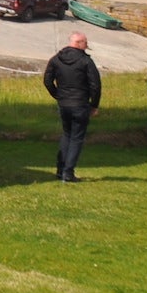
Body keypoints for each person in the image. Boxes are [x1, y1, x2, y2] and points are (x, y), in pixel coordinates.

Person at [43, 31, 102, 183]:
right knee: (76, 138)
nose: (87, 45)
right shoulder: (86, 61)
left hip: (64, 104)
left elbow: (47, 80)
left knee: (66, 134)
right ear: (78, 43)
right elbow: (95, 85)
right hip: (80, 104)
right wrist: (94, 105)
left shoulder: (56, 59)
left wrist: (58, 95)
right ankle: (68, 172)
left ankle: (60, 169)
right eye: (85, 42)